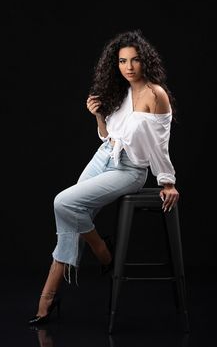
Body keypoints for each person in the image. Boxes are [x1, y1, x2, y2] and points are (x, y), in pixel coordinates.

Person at [29, 29, 179, 325]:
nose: (129, 67)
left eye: (135, 60)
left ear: (145, 61)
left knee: (64, 204)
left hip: (130, 170)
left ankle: (101, 254)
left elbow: (159, 145)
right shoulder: (122, 92)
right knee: (69, 217)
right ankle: (49, 297)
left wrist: (167, 180)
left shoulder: (155, 94)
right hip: (104, 156)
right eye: (122, 61)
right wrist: (98, 115)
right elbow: (107, 136)